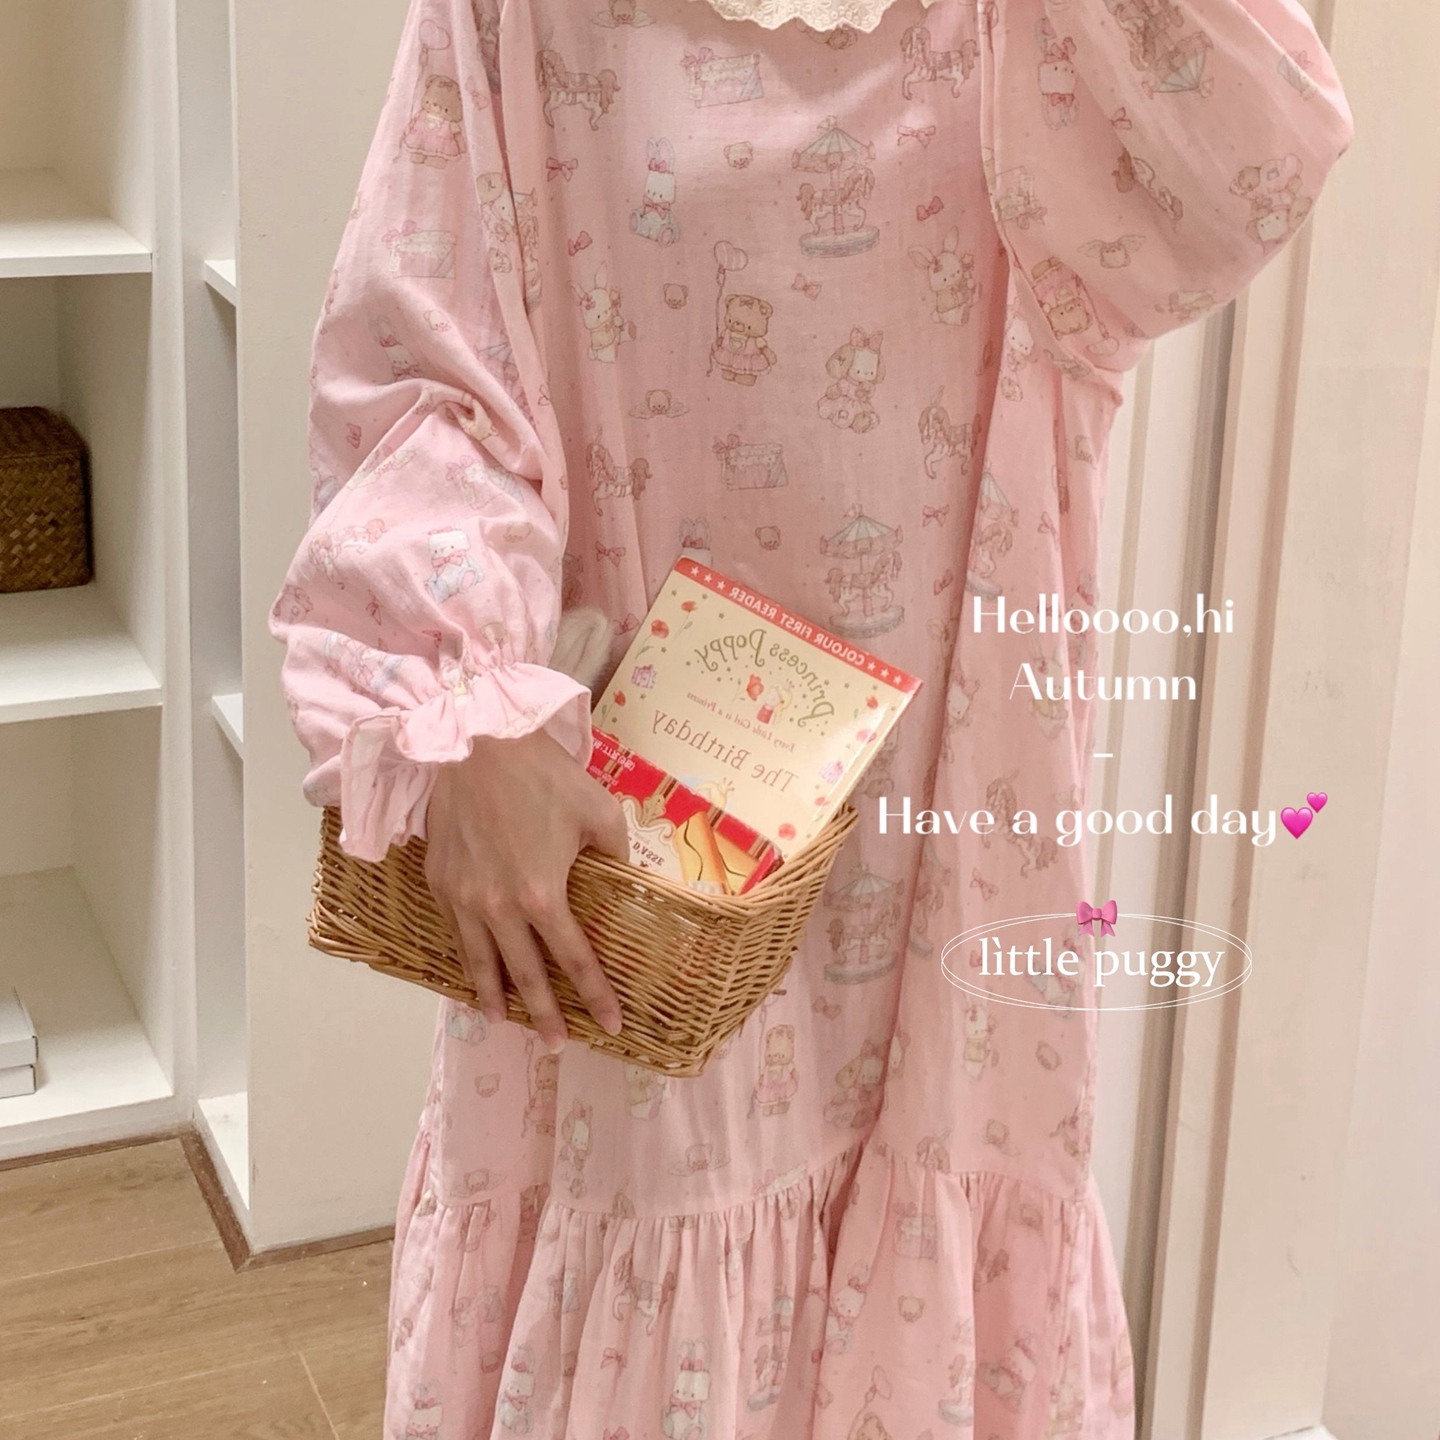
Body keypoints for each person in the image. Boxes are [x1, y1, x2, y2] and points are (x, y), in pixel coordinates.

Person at [269, 0, 1352, 1433]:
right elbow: (426, 361)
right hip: (646, 860)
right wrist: (462, 704)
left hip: (945, 872)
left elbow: (1258, 152)